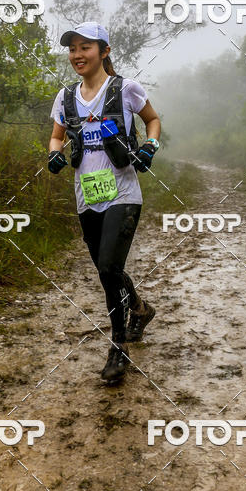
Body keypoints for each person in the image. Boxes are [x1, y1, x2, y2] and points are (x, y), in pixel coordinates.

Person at [47, 21, 161, 385]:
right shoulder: (65, 97)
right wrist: (54, 154)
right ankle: (140, 309)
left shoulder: (125, 89)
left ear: (105, 51)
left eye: (85, 48)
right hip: (87, 196)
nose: (77, 55)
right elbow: (55, 137)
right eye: (72, 49)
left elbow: (153, 120)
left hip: (123, 193)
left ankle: (118, 346)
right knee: (106, 270)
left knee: (109, 266)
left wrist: (149, 146)